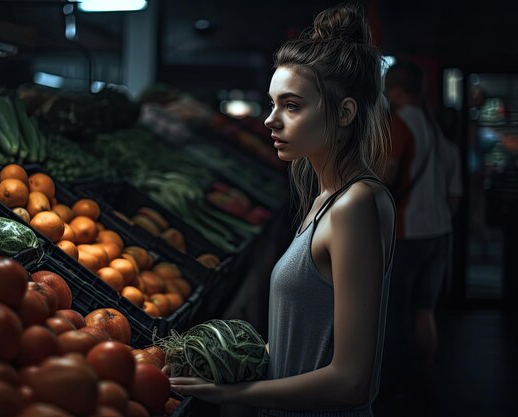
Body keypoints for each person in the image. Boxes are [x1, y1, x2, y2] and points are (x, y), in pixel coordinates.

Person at [170, 4, 396, 416]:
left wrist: (233, 396)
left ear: (344, 113)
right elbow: (302, 340)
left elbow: (353, 382)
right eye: (272, 104)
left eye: (291, 106)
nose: (270, 121)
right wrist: (216, 357)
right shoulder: (325, 200)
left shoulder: (355, 205)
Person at [380, 60, 462, 404]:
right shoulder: (438, 131)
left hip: (406, 231)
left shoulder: (399, 124)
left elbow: (384, 174)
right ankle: (423, 380)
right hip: (440, 232)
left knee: (394, 311)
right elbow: (454, 194)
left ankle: (394, 383)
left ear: (395, 91)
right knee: (424, 311)